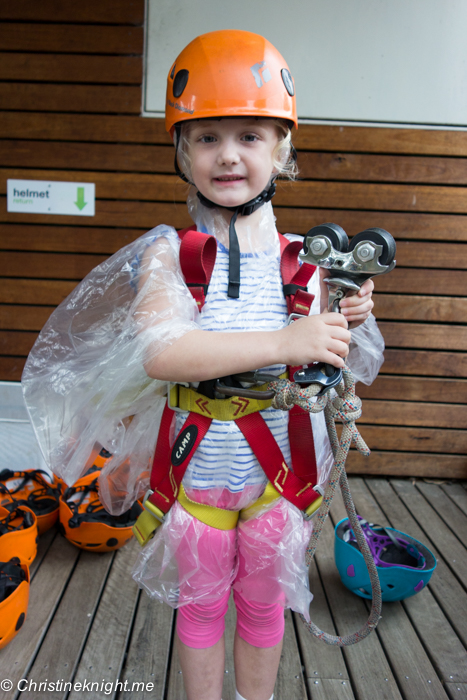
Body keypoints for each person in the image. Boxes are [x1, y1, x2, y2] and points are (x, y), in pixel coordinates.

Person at [22, 30, 383, 700]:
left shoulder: (309, 258)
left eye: (250, 136)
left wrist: (342, 324)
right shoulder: (169, 255)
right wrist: (288, 341)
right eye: (207, 137)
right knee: (200, 604)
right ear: (181, 152)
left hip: (280, 474)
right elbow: (163, 353)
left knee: (262, 604)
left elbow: (335, 364)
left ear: (283, 149)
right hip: (196, 476)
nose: (227, 155)